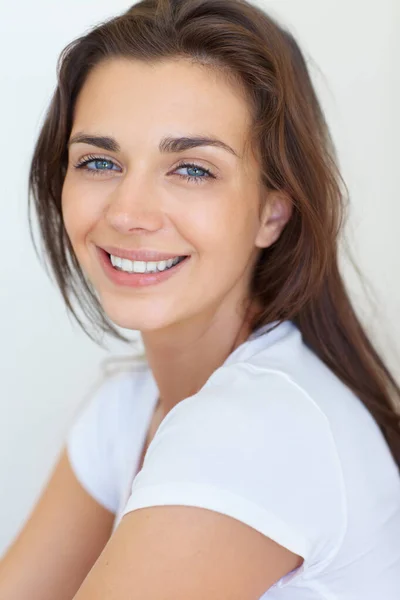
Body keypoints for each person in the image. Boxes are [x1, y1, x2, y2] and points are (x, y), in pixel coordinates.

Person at [1, 0, 399, 598]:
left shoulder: (258, 428)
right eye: (100, 161)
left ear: (273, 210)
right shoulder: (127, 410)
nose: (128, 213)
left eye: (191, 170)